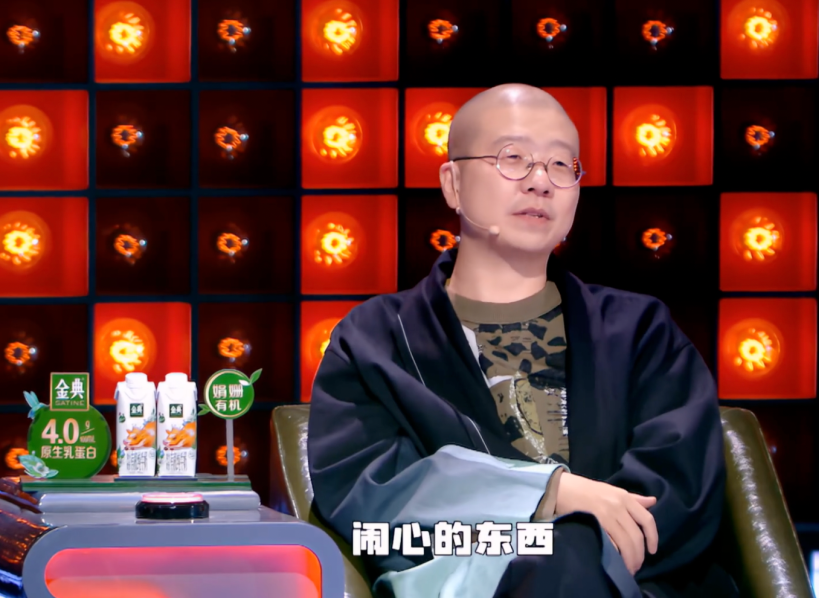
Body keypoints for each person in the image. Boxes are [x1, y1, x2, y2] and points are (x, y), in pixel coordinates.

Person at [308, 84, 737, 598]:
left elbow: (679, 494)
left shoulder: (640, 331)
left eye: (560, 165)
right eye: (513, 158)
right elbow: (371, 505)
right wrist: (546, 495)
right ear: (453, 183)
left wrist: (576, 550)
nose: (540, 182)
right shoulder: (375, 341)